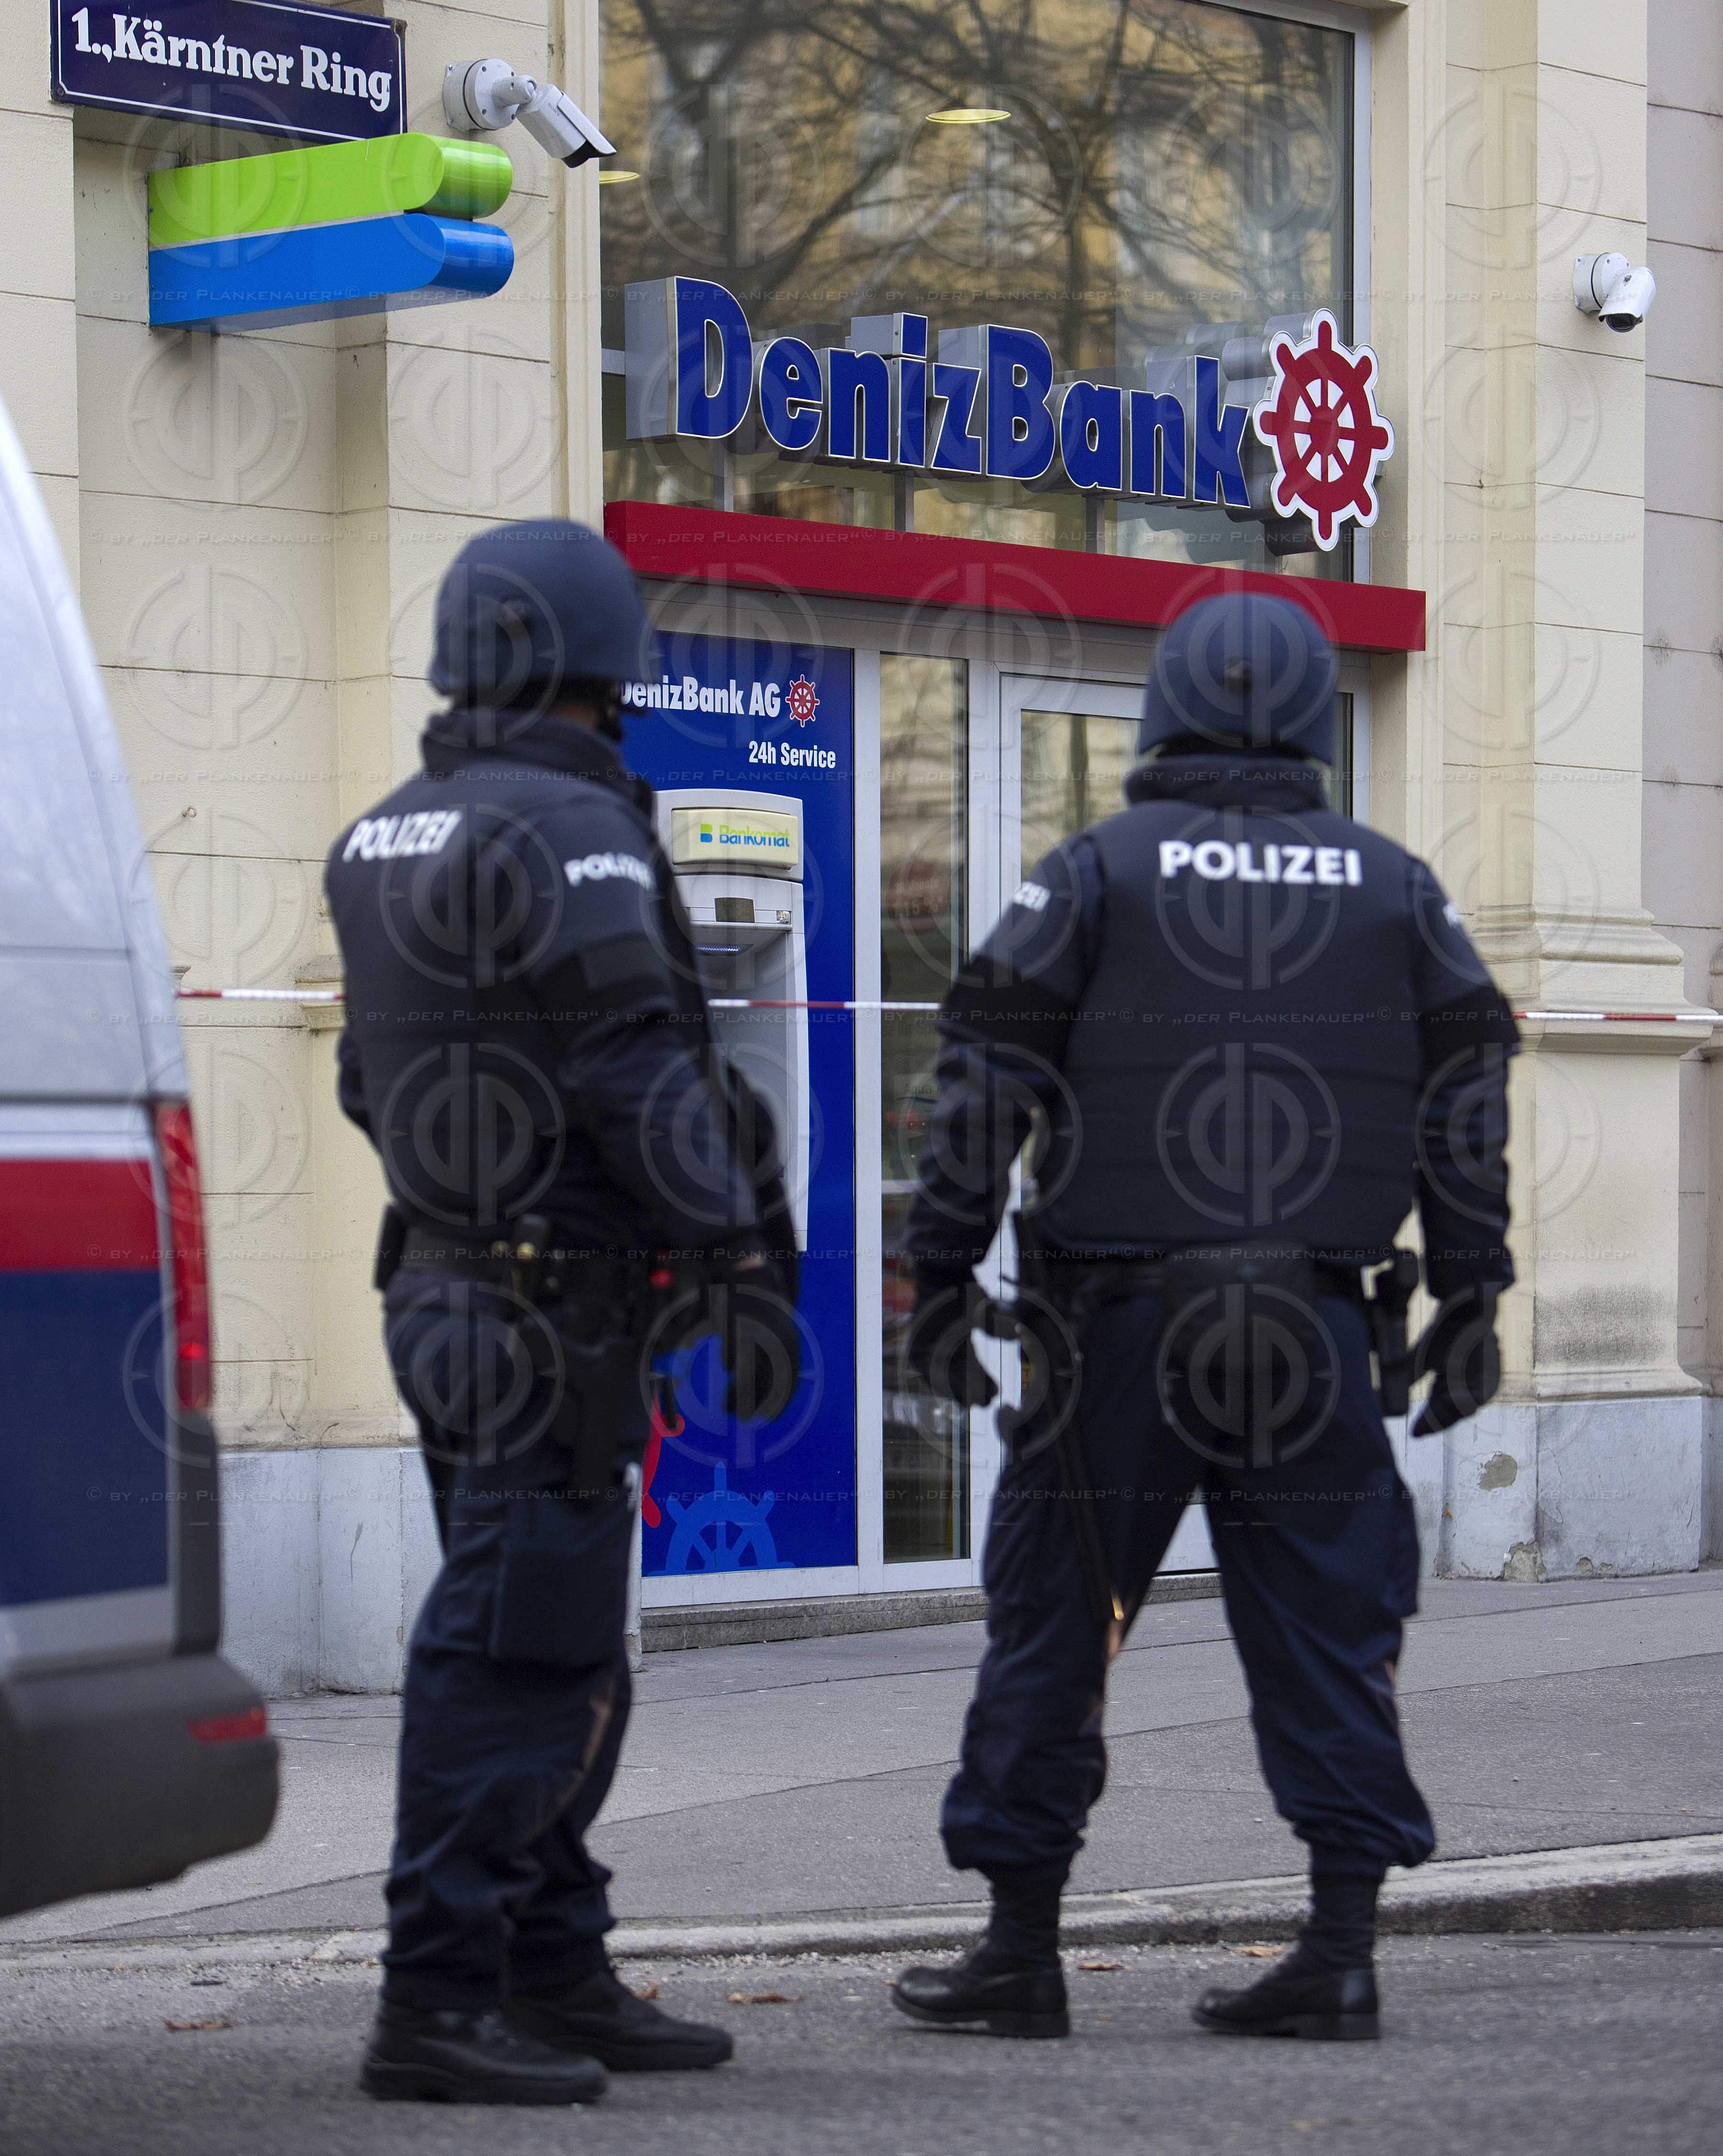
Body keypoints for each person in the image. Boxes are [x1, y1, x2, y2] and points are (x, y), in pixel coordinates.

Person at [889, 589, 1516, 2047]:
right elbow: (1465, 1091)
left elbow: (983, 1077)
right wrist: (1475, 1287)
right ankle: (1342, 1952)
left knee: (1057, 1620)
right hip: (1312, 1326)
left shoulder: (1092, 871)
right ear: (1311, 721)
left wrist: (937, 1275)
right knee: (1332, 1624)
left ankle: (1021, 1951)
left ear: (1162, 711)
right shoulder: (1396, 884)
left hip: (1118, 1323)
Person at [325, 519, 797, 2107]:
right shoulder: (579, 836)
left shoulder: (384, 832)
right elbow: (638, 1070)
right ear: (599, 668)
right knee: (521, 1654)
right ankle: (439, 1999)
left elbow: (357, 1084)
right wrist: (734, 1258)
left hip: (446, 1286)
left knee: (548, 1635)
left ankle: (554, 1963)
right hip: (551, 1310)